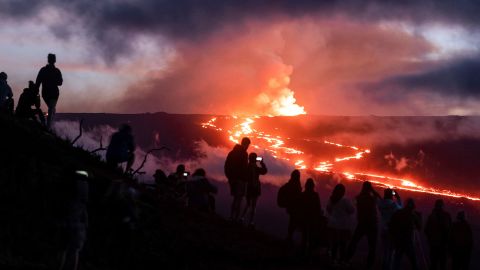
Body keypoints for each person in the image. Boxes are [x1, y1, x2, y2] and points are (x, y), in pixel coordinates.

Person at [346, 181, 381, 270]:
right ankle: (369, 265)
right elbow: (380, 199)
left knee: (354, 242)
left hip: (362, 223)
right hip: (372, 224)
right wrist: (373, 190)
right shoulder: (372, 199)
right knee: (372, 246)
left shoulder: (359, 198)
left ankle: (346, 259)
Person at [58, 169, 89, 270]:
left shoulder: (71, 189)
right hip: (78, 225)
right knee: (74, 251)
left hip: (70, 222)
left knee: (64, 249)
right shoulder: (84, 194)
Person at [326, 183, 354, 266]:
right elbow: (352, 210)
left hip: (332, 224)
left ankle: (333, 260)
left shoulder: (331, 199)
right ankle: (342, 260)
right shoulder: (345, 200)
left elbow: (328, 209)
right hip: (343, 226)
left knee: (334, 243)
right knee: (343, 244)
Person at [389, 198, 421, 270]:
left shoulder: (398, 213)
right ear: (413, 206)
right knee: (413, 261)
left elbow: (391, 225)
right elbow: (419, 227)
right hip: (408, 241)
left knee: (397, 261)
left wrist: (393, 237)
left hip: (399, 241)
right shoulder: (413, 215)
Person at [224, 137, 250, 222]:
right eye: (248, 145)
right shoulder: (244, 154)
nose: (248, 147)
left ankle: (231, 216)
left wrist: (229, 177)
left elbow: (226, 166)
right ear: (246, 144)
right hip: (240, 180)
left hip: (232, 179)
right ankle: (235, 218)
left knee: (235, 198)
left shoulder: (232, 152)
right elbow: (245, 168)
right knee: (239, 199)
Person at [35, 53, 63, 128]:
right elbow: (60, 82)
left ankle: (49, 126)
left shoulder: (44, 70)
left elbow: (38, 82)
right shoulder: (55, 71)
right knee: (51, 108)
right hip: (50, 93)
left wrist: (36, 89)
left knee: (51, 108)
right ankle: (50, 126)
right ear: (54, 60)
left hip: (50, 93)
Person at [378, 188, 402, 270]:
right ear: (391, 195)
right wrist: (398, 197)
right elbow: (401, 209)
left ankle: (383, 267)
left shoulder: (380, 204)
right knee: (391, 252)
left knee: (384, 251)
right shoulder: (394, 205)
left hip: (383, 229)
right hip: (391, 231)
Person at [240, 153, 267, 227]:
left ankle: (242, 218)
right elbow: (264, 171)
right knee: (253, 205)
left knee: (248, 204)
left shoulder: (248, 166)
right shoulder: (256, 166)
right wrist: (262, 163)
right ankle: (251, 222)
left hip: (249, 187)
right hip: (255, 188)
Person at [424, 199, 452, 270]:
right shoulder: (446, 216)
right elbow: (449, 230)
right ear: (442, 206)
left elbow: (426, 230)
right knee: (442, 265)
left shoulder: (431, 216)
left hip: (434, 244)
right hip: (442, 245)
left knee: (434, 264)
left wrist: (430, 240)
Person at [300, 178, 323, 256]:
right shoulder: (315, 195)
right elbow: (318, 207)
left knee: (304, 236)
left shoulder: (303, 194)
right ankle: (309, 253)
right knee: (311, 236)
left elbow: (300, 206)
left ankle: (303, 252)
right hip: (313, 219)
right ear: (313, 186)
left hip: (304, 218)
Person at [281, 169, 303, 244]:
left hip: (290, 206)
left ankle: (289, 237)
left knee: (292, 222)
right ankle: (290, 237)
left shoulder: (290, 183)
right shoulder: (297, 185)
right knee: (293, 222)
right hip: (295, 207)